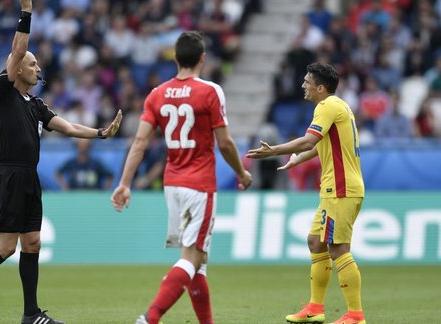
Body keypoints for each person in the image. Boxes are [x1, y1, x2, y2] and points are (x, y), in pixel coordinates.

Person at [0, 1, 123, 323]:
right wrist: (27, 12)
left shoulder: (36, 104)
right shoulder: (4, 92)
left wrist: (100, 132)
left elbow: (67, 126)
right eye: (32, 63)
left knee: (33, 242)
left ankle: (31, 314)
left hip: (30, 176)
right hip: (10, 174)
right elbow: (17, 51)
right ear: (17, 68)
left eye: (37, 64)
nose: (37, 68)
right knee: (6, 247)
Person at [111, 31, 252, 324]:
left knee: (198, 263)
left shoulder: (157, 94)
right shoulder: (210, 91)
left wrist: (124, 183)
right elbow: (225, 143)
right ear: (203, 58)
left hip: (172, 183)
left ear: (175, 58)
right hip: (199, 185)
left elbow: (139, 142)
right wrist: (241, 172)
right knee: (191, 258)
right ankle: (150, 317)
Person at [247, 62, 366, 324]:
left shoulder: (327, 106)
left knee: (338, 248)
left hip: (342, 188)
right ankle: (314, 308)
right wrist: (295, 160)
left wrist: (274, 150)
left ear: (320, 88)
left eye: (307, 82)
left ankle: (356, 315)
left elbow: (310, 140)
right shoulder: (338, 105)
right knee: (316, 241)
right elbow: (321, 144)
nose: (303, 85)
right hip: (335, 188)